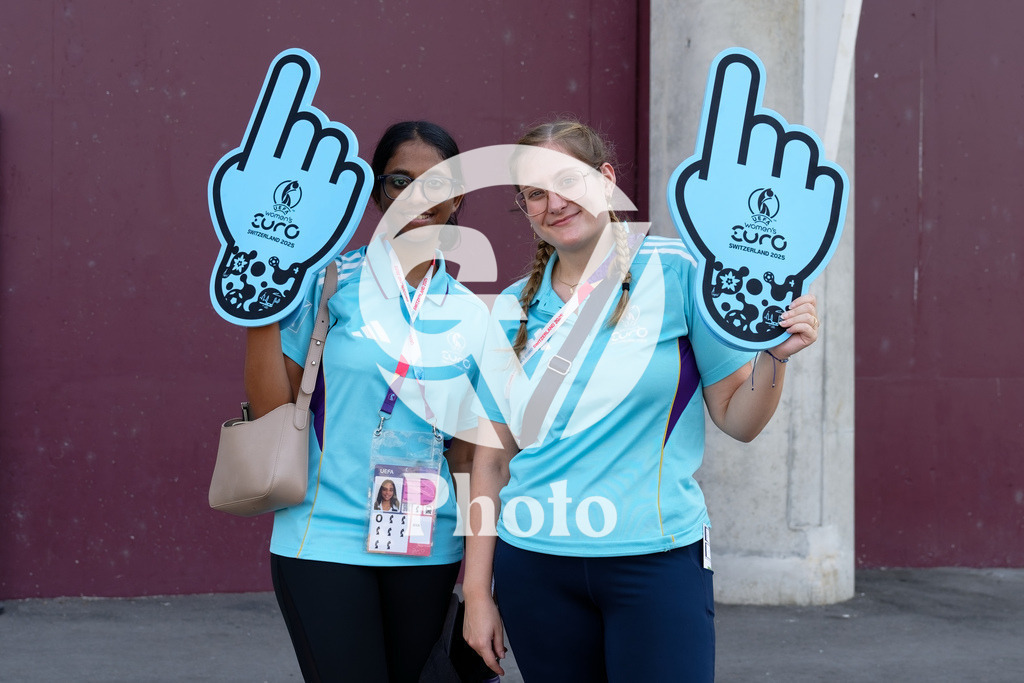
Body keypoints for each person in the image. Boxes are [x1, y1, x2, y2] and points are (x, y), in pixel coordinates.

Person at [462, 120, 821, 682]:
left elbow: (739, 420)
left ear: (606, 180)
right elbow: (489, 459)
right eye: (535, 193)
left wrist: (774, 357)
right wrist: (477, 595)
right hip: (534, 565)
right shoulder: (510, 306)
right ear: (525, 208)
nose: (555, 202)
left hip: (656, 563)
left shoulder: (681, 275)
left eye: (567, 180)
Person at [246, 120, 489, 682]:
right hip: (322, 537)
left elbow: (471, 457)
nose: (416, 198)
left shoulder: (475, 317)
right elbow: (268, 409)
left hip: (426, 547)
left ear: (457, 199)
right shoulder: (325, 284)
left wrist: (482, 580)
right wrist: (259, 306)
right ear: (377, 191)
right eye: (400, 181)